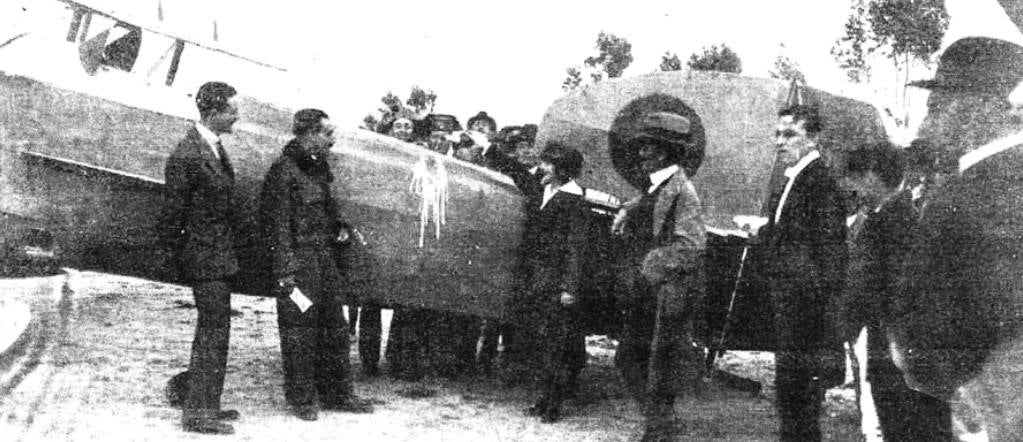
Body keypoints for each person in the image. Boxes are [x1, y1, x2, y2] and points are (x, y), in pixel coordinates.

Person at [893, 37, 1023, 441]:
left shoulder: (972, 190)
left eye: (936, 108)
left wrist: (930, 370)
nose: (926, 126)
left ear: (976, 109)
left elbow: (984, 307)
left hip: (991, 402)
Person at [259, 108, 376, 421]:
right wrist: (285, 274)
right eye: (327, 133)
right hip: (299, 263)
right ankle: (302, 400)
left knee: (335, 329)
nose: (332, 140)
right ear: (308, 133)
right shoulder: (284, 172)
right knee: (300, 333)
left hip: (323, 258)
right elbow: (277, 226)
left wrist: (337, 225)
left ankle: (338, 394)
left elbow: (324, 207)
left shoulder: (316, 168)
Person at [839, 144, 954, 441]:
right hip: (907, 353)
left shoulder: (888, 224)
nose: (852, 188)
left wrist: (840, 329)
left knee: (902, 428)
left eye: (856, 178)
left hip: (897, 354)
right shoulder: (899, 217)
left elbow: (867, 288)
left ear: (873, 176)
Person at [752, 104, 847, 442]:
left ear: (814, 138)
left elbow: (827, 256)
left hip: (805, 318)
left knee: (799, 402)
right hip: (792, 314)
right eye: (777, 134)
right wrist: (765, 232)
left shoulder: (819, 182)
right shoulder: (796, 179)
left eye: (790, 134)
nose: (780, 141)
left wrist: (810, 315)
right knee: (791, 400)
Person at [610, 111, 707, 442]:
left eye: (646, 148)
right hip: (648, 293)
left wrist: (652, 264)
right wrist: (627, 208)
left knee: (655, 367)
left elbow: (691, 247)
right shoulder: (662, 185)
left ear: (663, 152)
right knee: (631, 360)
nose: (640, 154)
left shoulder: (683, 192)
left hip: (665, 295)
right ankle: (661, 427)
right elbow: (650, 201)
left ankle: (660, 431)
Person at [480, 134, 588, 422]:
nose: (543, 168)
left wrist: (569, 287)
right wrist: (491, 149)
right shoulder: (548, 191)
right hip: (538, 280)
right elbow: (518, 173)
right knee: (542, 345)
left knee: (555, 346)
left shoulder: (574, 200)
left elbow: (576, 248)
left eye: (549, 164)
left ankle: (553, 405)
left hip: (553, 283)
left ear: (563, 169)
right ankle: (544, 401)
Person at [163, 81, 242, 435]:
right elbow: (172, 217)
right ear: (213, 112)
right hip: (204, 260)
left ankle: (206, 405)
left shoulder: (211, 147)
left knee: (215, 332)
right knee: (211, 333)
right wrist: (188, 259)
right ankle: (197, 415)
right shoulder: (188, 154)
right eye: (232, 110)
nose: (237, 116)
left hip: (216, 258)